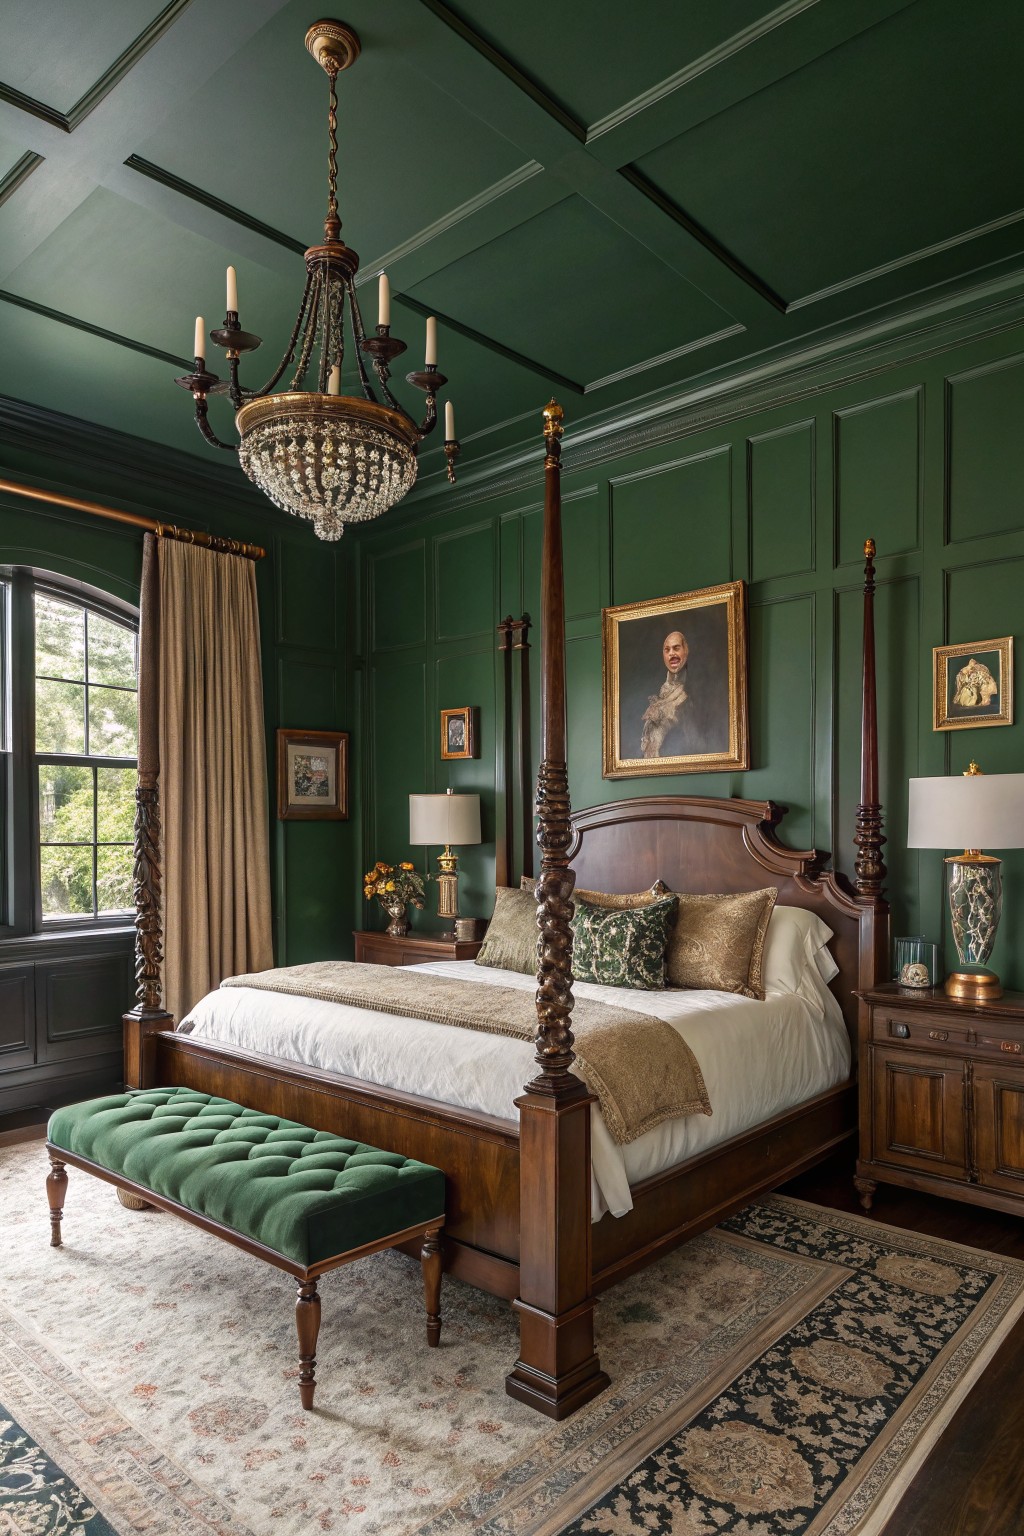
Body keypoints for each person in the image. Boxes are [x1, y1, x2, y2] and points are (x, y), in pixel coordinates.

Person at [641, 630, 688, 758]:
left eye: (676, 648)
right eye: (667, 650)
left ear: (686, 651)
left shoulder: (695, 688)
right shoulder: (657, 687)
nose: (671, 653)